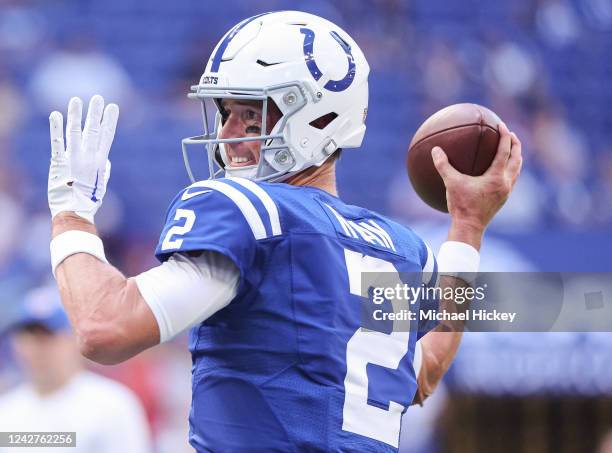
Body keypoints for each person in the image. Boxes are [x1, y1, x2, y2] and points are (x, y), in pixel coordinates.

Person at [46, 11, 522, 452]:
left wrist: (71, 216)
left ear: (319, 119)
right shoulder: (401, 249)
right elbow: (427, 370)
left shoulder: (249, 211)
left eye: (252, 115)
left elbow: (104, 328)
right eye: (226, 112)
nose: (230, 134)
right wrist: (468, 227)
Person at [0, 285, 152, 453]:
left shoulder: (111, 405)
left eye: (46, 337)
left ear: (74, 339)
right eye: (28, 338)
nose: (35, 349)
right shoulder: (7, 412)